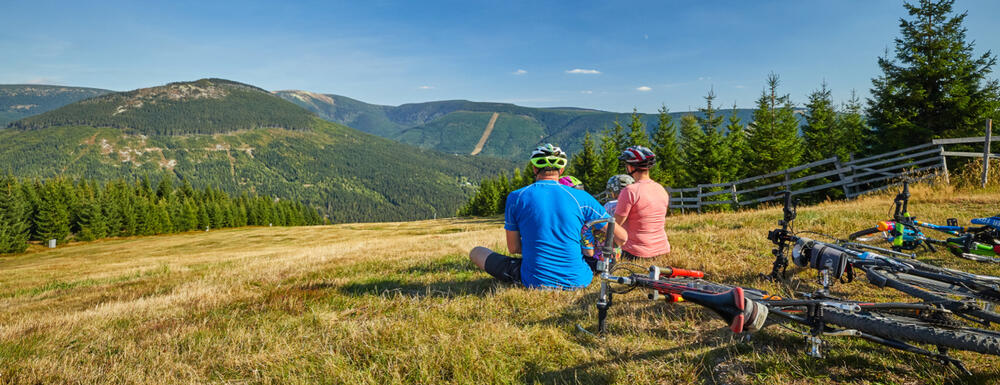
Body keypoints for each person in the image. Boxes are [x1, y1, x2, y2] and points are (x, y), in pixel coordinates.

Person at [469, 144, 627, 289]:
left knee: (476, 252)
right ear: (562, 170)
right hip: (580, 279)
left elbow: (514, 248)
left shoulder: (516, 197)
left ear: (534, 169)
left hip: (535, 280)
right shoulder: (582, 198)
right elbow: (622, 237)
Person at [615, 145, 671, 260]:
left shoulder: (630, 191)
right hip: (662, 251)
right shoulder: (660, 189)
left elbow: (615, 225)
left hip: (636, 253)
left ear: (630, 167)